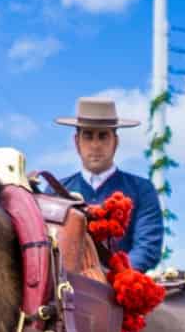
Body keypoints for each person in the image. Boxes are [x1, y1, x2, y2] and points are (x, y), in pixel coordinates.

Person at [55, 97, 164, 271]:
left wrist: (114, 275)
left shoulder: (142, 190)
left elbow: (147, 247)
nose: (95, 145)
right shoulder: (56, 192)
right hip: (66, 288)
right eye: (88, 136)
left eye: (103, 136)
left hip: (120, 290)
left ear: (115, 142)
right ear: (77, 142)